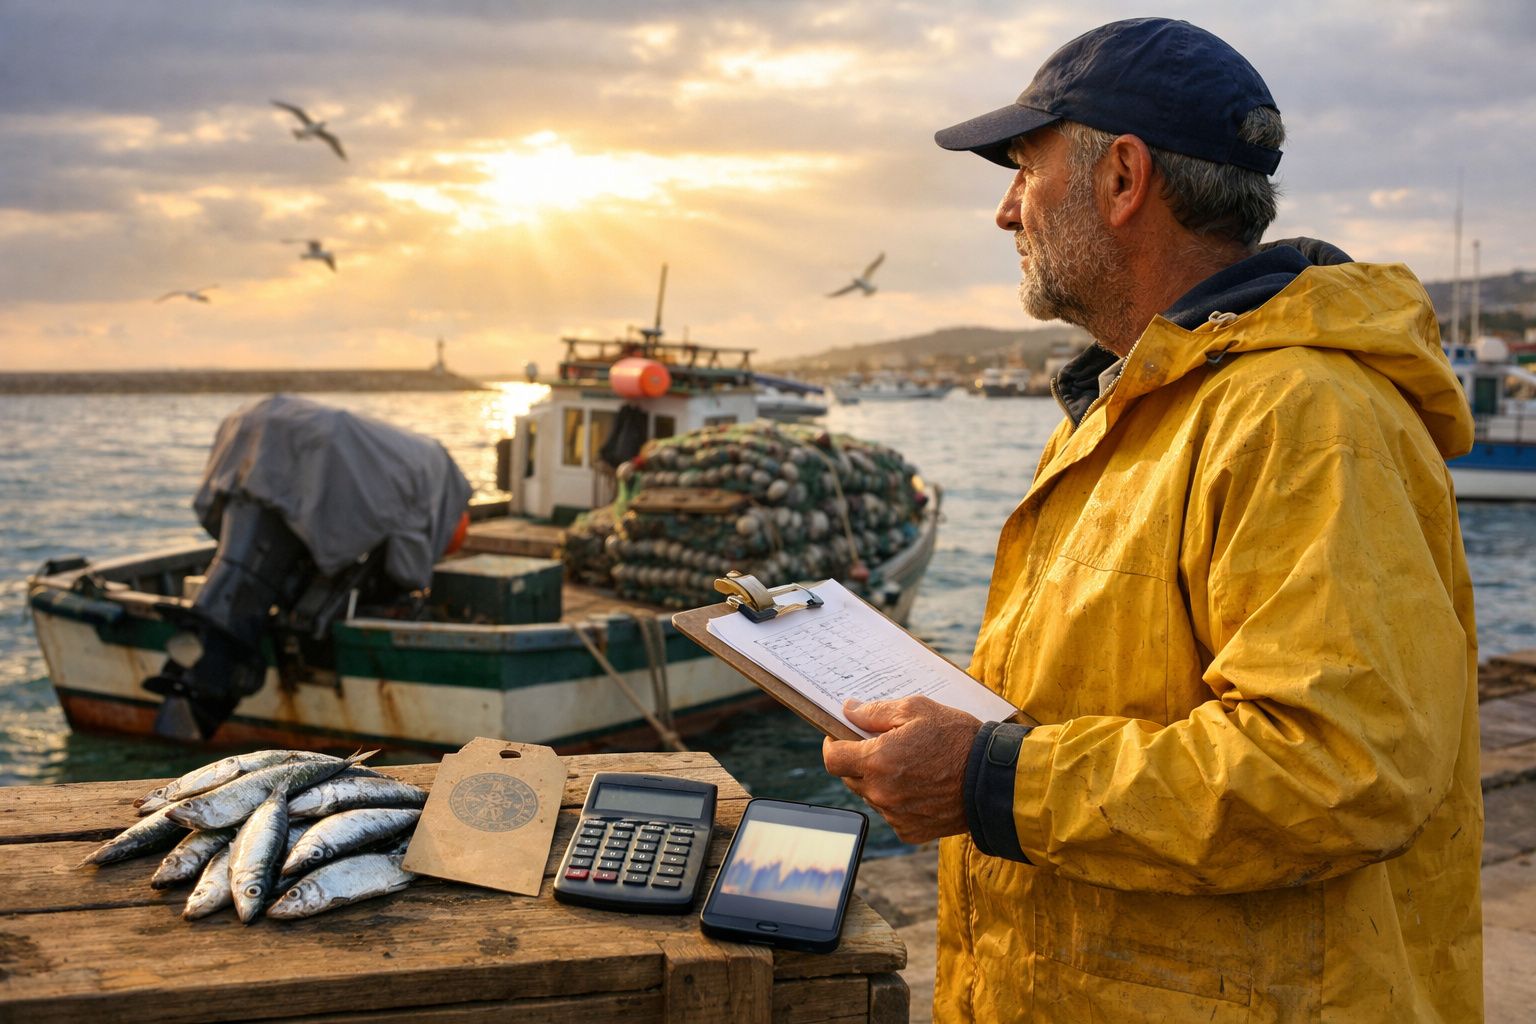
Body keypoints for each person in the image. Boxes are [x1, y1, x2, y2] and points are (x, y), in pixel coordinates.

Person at [822, 17, 1482, 1023]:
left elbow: (1341, 765)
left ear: (1122, 179)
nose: (1006, 212)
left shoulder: (1303, 415)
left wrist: (991, 780)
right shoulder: (1134, 409)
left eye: (1025, 171)